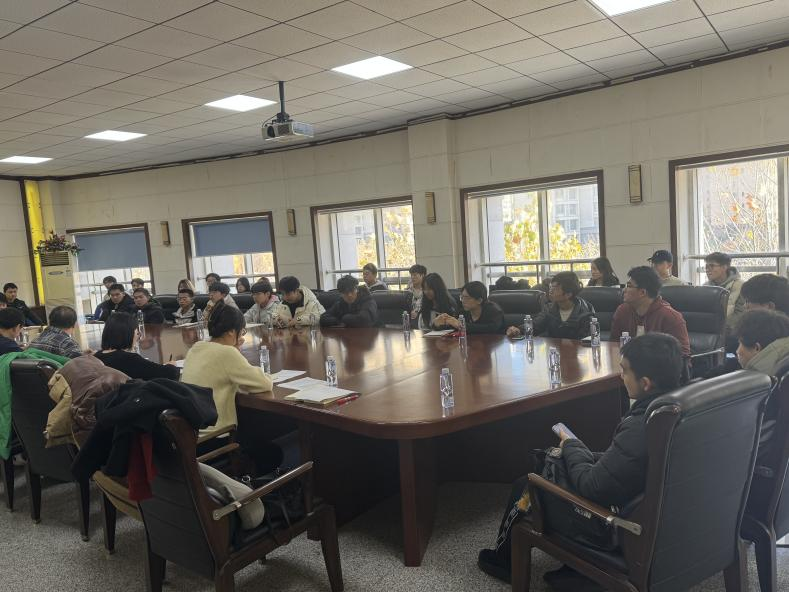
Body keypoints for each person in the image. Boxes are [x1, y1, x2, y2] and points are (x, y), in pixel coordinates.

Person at [478, 333, 684, 587]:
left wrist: (571, 445)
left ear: (645, 383)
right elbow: (627, 462)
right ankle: (575, 571)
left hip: (615, 526)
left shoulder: (641, 427)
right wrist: (581, 452)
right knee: (567, 460)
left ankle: (503, 562)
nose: (621, 376)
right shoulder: (677, 410)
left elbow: (591, 487)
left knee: (528, 484)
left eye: (625, 371)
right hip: (655, 515)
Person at [181, 304, 281, 475]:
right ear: (230, 332)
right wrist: (235, 351)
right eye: (242, 332)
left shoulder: (196, 348)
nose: (242, 337)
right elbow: (263, 384)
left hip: (191, 436)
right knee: (273, 453)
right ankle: (250, 484)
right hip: (216, 438)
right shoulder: (227, 353)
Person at [610, 266, 690, 356]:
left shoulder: (671, 317)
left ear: (642, 292)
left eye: (629, 286)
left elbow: (683, 356)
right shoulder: (622, 311)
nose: (624, 290)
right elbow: (614, 345)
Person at [506, 272, 595, 340]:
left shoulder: (585, 312)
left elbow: (586, 340)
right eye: (550, 287)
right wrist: (518, 330)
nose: (550, 292)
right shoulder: (549, 308)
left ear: (568, 294)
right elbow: (536, 325)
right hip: (554, 352)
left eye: (554, 289)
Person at [94, 312, 179, 380]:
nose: (138, 336)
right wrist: (171, 365)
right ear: (128, 334)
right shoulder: (129, 359)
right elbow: (170, 374)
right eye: (137, 333)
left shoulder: (96, 356)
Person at [735, 309, 789, 376]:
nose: (737, 351)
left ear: (756, 348)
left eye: (740, 344)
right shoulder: (782, 371)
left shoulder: (765, 380)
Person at [439, 281, 503, 334]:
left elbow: (491, 329)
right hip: (470, 344)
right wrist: (437, 324)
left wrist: (461, 325)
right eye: (462, 297)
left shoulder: (493, 311)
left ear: (479, 300)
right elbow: (452, 326)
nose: (463, 301)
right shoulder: (463, 311)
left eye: (466, 298)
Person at [704, 251, 745, 329]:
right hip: (708, 329)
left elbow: (740, 314)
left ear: (724, 267)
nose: (707, 270)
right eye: (706, 266)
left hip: (732, 330)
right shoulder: (705, 287)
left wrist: (719, 326)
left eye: (712, 266)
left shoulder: (740, 286)